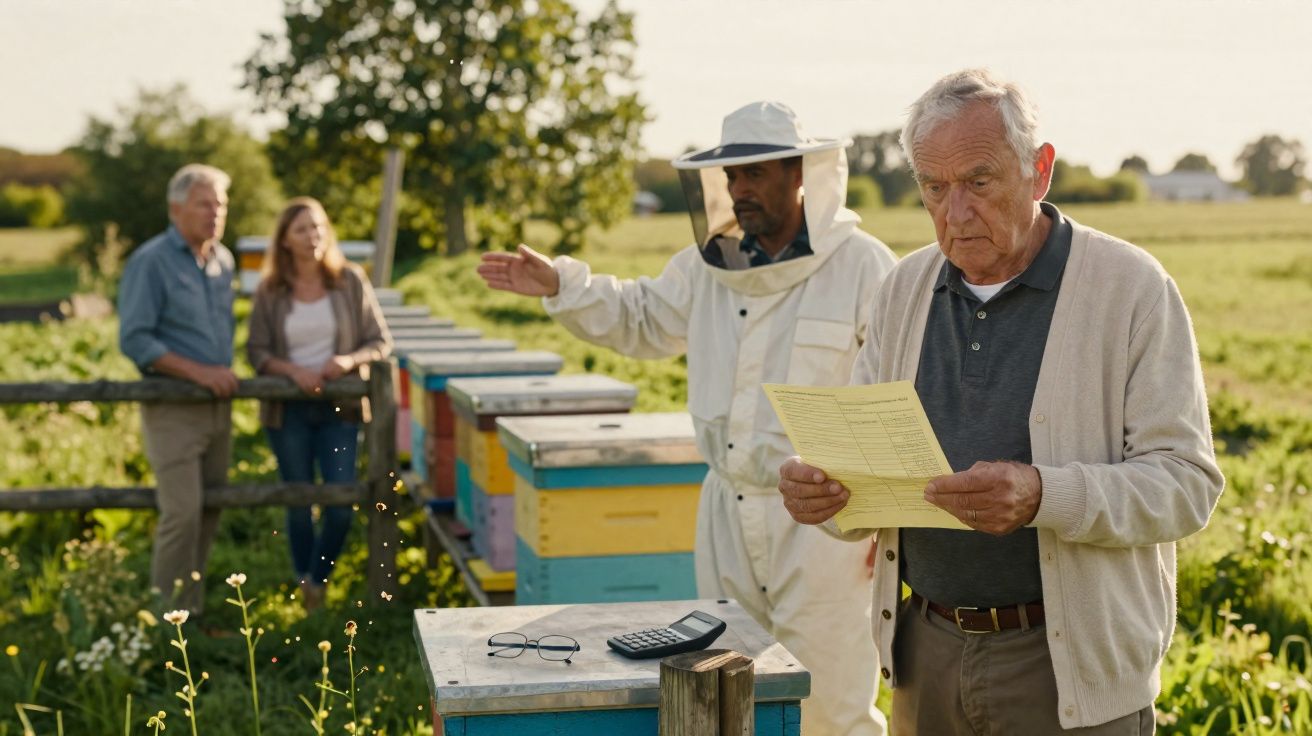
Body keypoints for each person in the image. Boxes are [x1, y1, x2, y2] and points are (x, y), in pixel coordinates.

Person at [778, 69, 1225, 734]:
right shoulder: (903, 289)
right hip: (924, 654)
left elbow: (1187, 486)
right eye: (935, 188)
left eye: (979, 182)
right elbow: (867, 481)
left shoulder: (1131, 289)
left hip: (1069, 667)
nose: (955, 213)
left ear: (1039, 172)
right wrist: (827, 497)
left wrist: (1044, 495)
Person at [479, 102, 897, 735]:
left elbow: (895, 393)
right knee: (726, 687)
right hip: (725, 508)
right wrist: (560, 284)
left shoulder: (863, 265)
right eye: (731, 177)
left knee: (829, 697)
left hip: (823, 518)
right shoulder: (707, 265)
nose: (740, 189)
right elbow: (640, 315)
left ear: (800, 173)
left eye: (755, 173)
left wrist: (881, 514)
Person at [247, 197, 391, 611]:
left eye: (318, 227)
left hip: (340, 408)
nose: (312, 237)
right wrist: (292, 371)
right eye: (301, 230)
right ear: (285, 240)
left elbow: (380, 341)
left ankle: (317, 577)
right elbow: (256, 351)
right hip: (287, 409)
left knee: (341, 503)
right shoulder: (270, 290)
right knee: (299, 503)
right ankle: (307, 587)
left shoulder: (350, 280)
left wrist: (348, 360)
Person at [119, 163, 238, 617]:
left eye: (221, 204)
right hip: (172, 407)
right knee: (182, 513)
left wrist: (217, 375)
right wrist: (198, 372)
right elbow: (135, 339)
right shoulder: (151, 261)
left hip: (218, 408)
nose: (215, 212)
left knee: (208, 513)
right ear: (176, 208)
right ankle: (165, 626)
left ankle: (194, 616)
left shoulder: (222, 261)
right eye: (204, 203)